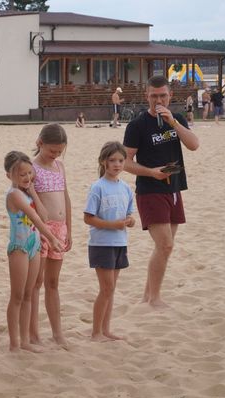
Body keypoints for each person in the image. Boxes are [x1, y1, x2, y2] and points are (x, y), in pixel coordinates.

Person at [123, 75, 199, 309]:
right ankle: (154, 298)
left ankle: (147, 296)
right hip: (150, 190)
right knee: (165, 245)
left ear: (170, 95)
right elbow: (125, 162)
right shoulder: (137, 125)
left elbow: (194, 145)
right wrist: (150, 172)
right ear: (146, 96)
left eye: (163, 95)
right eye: (154, 96)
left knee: (164, 247)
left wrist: (173, 123)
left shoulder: (177, 119)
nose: (158, 100)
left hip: (174, 187)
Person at [4, 151, 63, 352]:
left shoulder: (28, 193)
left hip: (34, 245)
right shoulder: (14, 194)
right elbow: (34, 218)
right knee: (17, 295)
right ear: (9, 176)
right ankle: (14, 343)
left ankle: (25, 341)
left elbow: (44, 216)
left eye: (30, 173)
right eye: (22, 174)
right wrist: (52, 238)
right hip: (19, 247)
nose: (28, 177)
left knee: (29, 294)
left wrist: (33, 191)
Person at [83, 142, 135, 342]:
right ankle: (96, 332)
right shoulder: (98, 187)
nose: (117, 164)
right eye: (112, 160)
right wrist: (111, 225)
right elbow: (88, 218)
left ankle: (106, 330)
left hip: (120, 243)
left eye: (121, 160)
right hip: (101, 244)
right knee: (106, 288)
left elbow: (129, 214)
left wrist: (130, 221)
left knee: (111, 290)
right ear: (103, 161)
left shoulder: (126, 188)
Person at [29, 124, 72, 348]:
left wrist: (69, 229)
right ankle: (33, 333)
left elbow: (66, 198)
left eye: (59, 151)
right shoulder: (31, 168)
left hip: (60, 229)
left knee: (53, 282)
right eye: (52, 150)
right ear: (40, 143)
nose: (55, 155)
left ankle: (57, 333)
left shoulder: (60, 166)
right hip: (41, 229)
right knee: (36, 282)